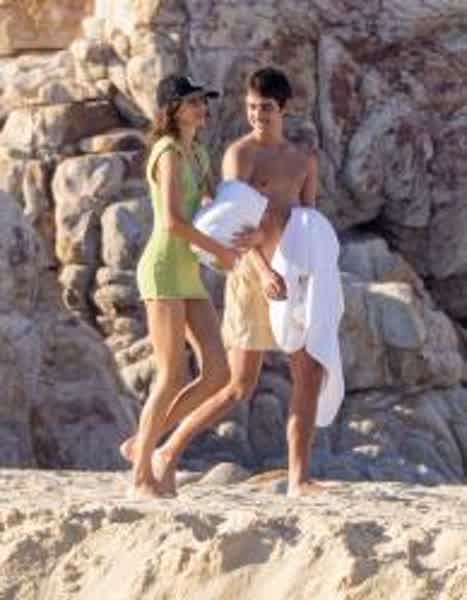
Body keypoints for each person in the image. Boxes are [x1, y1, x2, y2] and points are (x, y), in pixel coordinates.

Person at [139, 66, 333, 498]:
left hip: (293, 275)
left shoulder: (304, 160)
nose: (257, 115)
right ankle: (164, 450)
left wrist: (314, 271)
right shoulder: (238, 155)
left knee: (308, 372)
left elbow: (308, 219)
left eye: (266, 108)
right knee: (238, 386)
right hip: (251, 275)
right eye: (252, 107)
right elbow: (231, 220)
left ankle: (299, 478)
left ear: (284, 108)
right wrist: (262, 271)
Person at [127, 74, 240, 498]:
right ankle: (141, 475)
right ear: (172, 109)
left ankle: (142, 442)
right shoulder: (168, 152)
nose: (202, 108)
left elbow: (213, 207)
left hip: (189, 271)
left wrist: (239, 229)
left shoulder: (199, 154)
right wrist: (220, 251)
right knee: (171, 374)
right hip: (163, 268)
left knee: (218, 372)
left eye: (202, 102)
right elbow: (174, 221)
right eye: (193, 102)